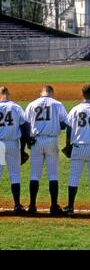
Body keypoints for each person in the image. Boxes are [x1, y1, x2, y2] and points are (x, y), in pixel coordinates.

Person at [24, 85, 68, 215]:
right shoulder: (57, 104)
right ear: (51, 93)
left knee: (34, 175)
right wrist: (55, 124)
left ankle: (32, 206)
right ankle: (54, 206)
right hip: (51, 141)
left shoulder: (32, 104)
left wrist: (27, 140)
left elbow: (25, 124)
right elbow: (65, 123)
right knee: (53, 175)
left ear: (41, 93)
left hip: (36, 141)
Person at [63, 84, 90, 217]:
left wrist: (68, 145)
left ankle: (70, 207)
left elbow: (68, 130)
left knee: (74, 177)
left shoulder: (75, 109)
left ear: (82, 94)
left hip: (78, 147)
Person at [0, 86, 30, 214]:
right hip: (13, 144)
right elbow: (24, 128)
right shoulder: (16, 107)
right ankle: (17, 205)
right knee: (15, 175)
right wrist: (22, 149)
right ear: (8, 93)